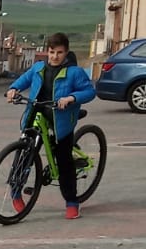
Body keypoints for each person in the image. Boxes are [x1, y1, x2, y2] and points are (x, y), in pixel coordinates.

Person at [5, 32, 96, 219]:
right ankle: (16, 192)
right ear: (47, 51)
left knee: (64, 161)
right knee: (23, 154)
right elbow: (23, 80)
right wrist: (13, 89)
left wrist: (71, 98)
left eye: (60, 52)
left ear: (66, 52)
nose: (55, 56)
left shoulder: (74, 72)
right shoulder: (38, 68)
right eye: (52, 52)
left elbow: (89, 91)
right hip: (36, 114)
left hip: (60, 120)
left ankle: (71, 201)